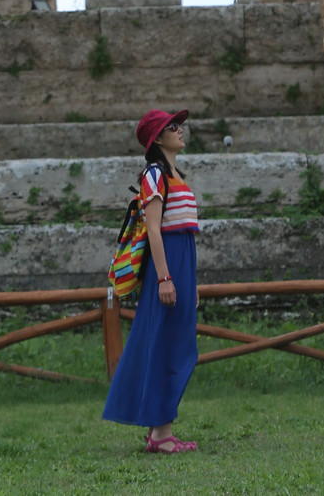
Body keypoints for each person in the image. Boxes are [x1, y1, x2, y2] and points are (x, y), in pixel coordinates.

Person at [102, 108, 200, 453]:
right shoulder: (155, 175)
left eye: (180, 125)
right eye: (173, 127)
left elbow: (183, 233)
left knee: (175, 346)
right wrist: (165, 279)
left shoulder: (176, 175)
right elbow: (155, 230)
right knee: (166, 347)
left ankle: (161, 430)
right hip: (168, 266)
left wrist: (192, 285)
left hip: (181, 265)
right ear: (157, 138)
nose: (180, 130)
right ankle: (160, 435)